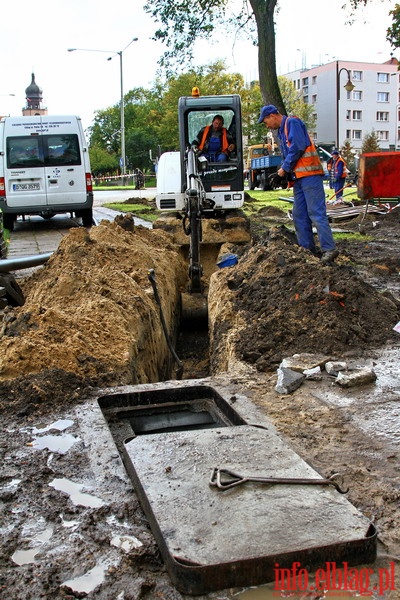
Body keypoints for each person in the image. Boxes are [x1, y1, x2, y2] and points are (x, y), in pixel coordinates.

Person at [257, 104, 339, 264]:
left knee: (316, 213)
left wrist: (283, 170)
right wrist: (285, 174)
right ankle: (307, 251)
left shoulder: (292, 123)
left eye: (266, 121)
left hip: (310, 176)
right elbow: (291, 154)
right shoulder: (282, 131)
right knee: (299, 215)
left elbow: (298, 147)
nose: (267, 125)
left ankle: (329, 249)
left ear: (273, 116)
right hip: (300, 178)